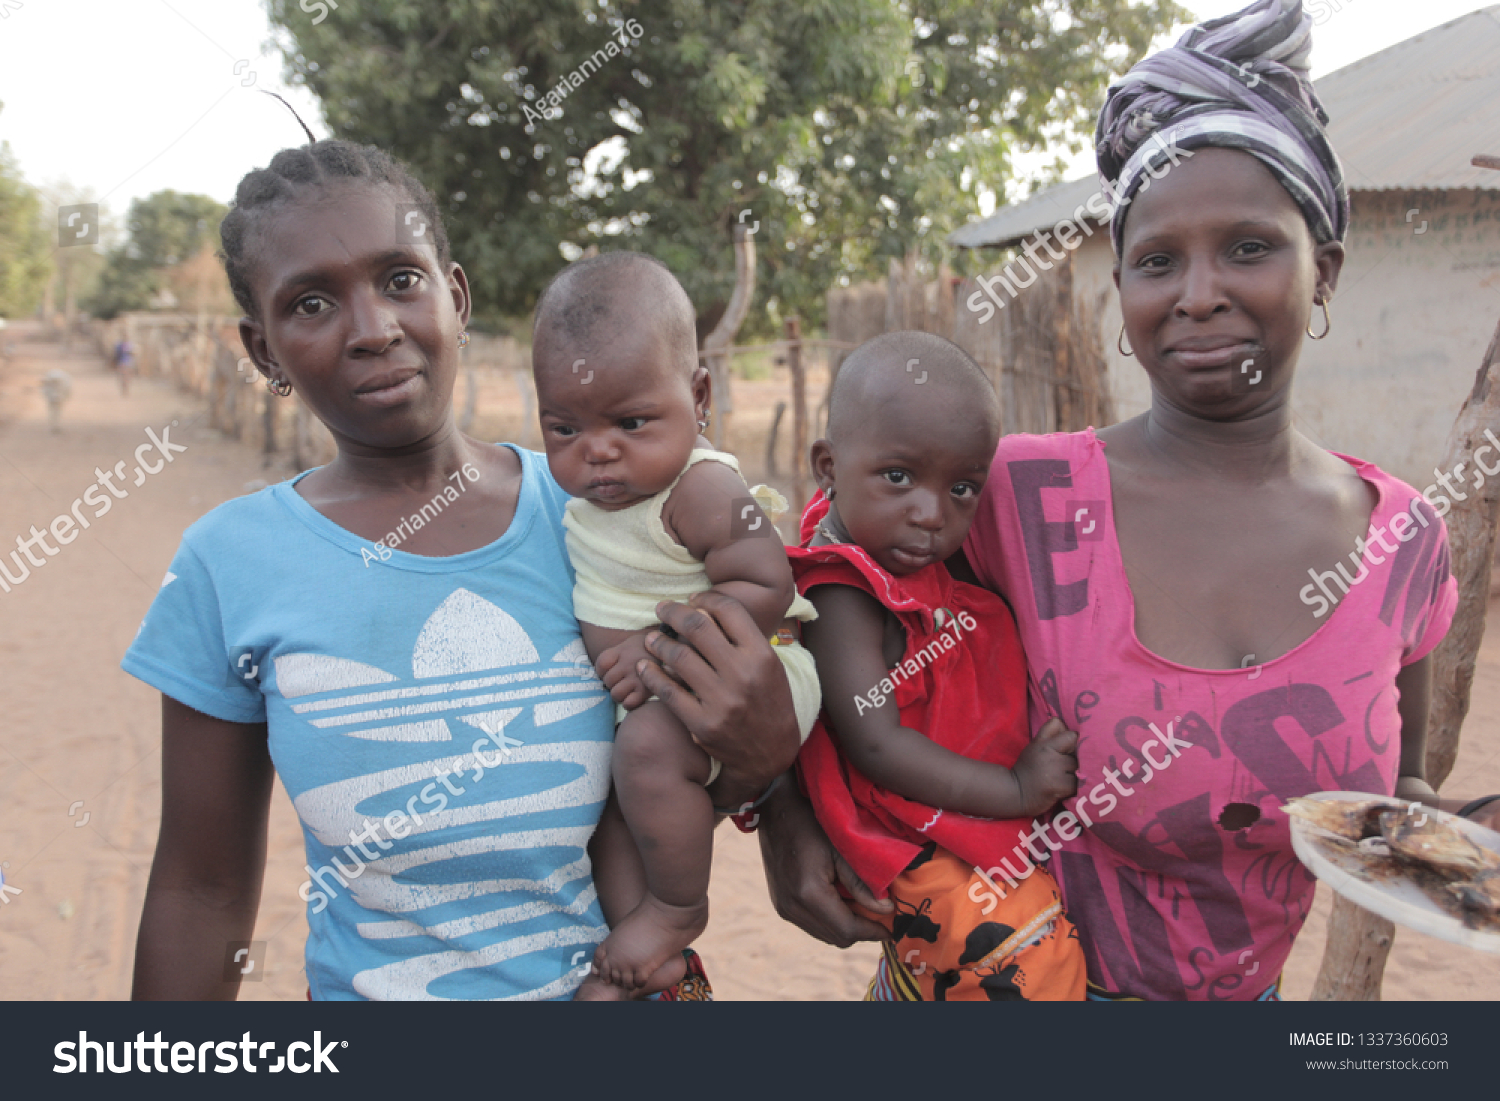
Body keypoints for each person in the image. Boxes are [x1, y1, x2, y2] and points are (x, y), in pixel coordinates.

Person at [759, 0, 1500, 999]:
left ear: (1322, 271)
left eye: (1249, 247)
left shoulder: (1400, 539)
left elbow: (1395, 796)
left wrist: (1452, 838)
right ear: (1122, 294)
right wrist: (789, 812)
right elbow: (818, 585)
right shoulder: (1021, 495)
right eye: (1157, 260)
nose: (1197, 293)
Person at [123, 135, 801, 1000]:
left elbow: (727, 758)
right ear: (263, 352)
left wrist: (768, 752)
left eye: (400, 279)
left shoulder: (609, 517)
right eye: (312, 303)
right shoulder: (228, 563)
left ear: (456, 296)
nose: (373, 329)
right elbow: (201, 886)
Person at [530, 252, 821, 998]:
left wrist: (658, 645)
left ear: (697, 398)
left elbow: (767, 580)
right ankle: (643, 952)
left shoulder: (702, 486)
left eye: (631, 421)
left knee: (647, 751)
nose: (597, 449)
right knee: (615, 801)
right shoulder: (589, 504)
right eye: (564, 426)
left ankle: (676, 908)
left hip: (759, 669)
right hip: (665, 703)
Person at [789, 330, 1086, 1000]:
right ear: (828, 466)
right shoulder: (841, 592)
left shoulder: (885, 546)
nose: (931, 514)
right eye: (898, 476)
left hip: (940, 815)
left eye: (961, 488)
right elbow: (875, 741)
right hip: (902, 834)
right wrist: (1015, 789)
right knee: (1030, 963)